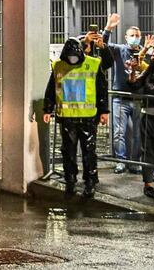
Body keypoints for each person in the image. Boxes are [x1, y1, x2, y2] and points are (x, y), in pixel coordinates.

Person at [43, 37, 109, 197]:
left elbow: (101, 89)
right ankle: (70, 180)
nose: (72, 59)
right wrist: (47, 109)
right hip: (67, 117)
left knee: (89, 152)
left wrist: (104, 111)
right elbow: (51, 89)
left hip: (88, 117)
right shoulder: (58, 66)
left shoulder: (93, 64)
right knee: (68, 151)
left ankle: (90, 182)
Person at [102, 13, 150, 174]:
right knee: (118, 133)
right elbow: (103, 44)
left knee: (138, 134)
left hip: (138, 99)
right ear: (125, 37)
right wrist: (108, 27)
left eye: (137, 36)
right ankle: (120, 161)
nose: (135, 38)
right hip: (120, 98)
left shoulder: (145, 54)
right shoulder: (119, 50)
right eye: (132, 35)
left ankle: (135, 163)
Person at [127, 43, 154, 199]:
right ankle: (150, 184)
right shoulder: (148, 70)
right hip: (148, 118)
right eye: (153, 55)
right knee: (149, 153)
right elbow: (134, 84)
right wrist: (132, 70)